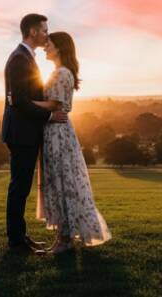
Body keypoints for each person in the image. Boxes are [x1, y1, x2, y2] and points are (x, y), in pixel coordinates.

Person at [33, 31, 111, 254]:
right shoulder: (59, 72)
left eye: (49, 44)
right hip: (54, 131)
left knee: (63, 182)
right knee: (58, 182)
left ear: (60, 48)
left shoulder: (62, 73)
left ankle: (65, 239)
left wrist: (23, 103)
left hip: (58, 134)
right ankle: (63, 236)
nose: (45, 47)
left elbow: (53, 104)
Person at [1, 13, 67, 255]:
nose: (47, 34)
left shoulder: (25, 58)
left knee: (21, 187)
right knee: (19, 187)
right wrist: (50, 116)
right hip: (21, 133)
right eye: (44, 30)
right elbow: (19, 101)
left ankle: (20, 237)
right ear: (31, 31)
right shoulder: (19, 59)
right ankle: (16, 241)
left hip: (25, 132)